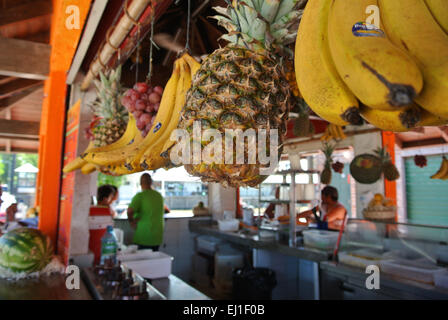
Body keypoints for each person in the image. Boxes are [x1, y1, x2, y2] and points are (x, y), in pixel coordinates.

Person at [127, 173, 164, 251]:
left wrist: (132, 222)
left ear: (140, 183)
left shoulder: (140, 196)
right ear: (151, 182)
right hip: (157, 237)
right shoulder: (159, 196)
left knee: (142, 262)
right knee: (154, 261)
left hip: (143, 236)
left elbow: (129, 211)